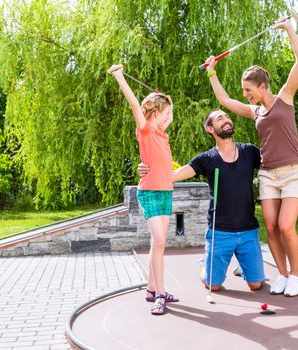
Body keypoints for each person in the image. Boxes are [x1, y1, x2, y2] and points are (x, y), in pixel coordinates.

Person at [139, 109, 298, 292]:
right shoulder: (206, 159)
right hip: (219, 232)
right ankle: (205, 266)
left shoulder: (249, 151)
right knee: (214, 285)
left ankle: (242, 266)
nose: (226, 119)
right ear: (210, 129)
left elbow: (277, 161)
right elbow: (175, 175)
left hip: (248, 231)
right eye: (220, 118)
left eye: (227, 116)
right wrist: (149, 170)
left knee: (256, 285)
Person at [204, 15, 298, 296]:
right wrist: (212, 71)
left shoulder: (285, 97)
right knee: (272, 228)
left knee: (287, 226)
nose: (245, 94)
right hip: (268, 174)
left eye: (248, 90)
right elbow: (225, 101)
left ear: (262, 86)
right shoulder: (255, 111)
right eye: (243, 91)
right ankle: (283, 276)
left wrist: (288, 29)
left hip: (293, 171)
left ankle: (296, 275)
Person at [107, 64, 178, 315]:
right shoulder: (146, 129)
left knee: (157, 244)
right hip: (149, 192)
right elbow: (136, 105)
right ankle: (160, 294)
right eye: (166, 113)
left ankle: (151, 289)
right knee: (159, 241)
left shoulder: (163, 135)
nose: (170, 117)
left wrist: (167, 101)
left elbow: (165, 111)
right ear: (154, 112)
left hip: (166, 192)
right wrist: (120, 76)